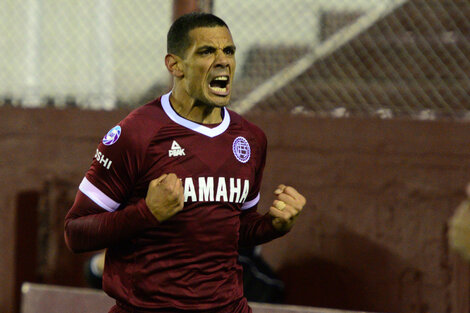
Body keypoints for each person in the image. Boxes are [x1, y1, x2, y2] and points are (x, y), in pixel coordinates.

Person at [64, 12, 306, 313]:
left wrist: (273, 225)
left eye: (228, 51)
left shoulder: (251, 139)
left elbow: (236, 229)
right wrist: (146, 213)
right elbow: (75, 233)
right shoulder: (136, 134)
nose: (223, 61)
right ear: (174, 65)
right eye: (206, 51)